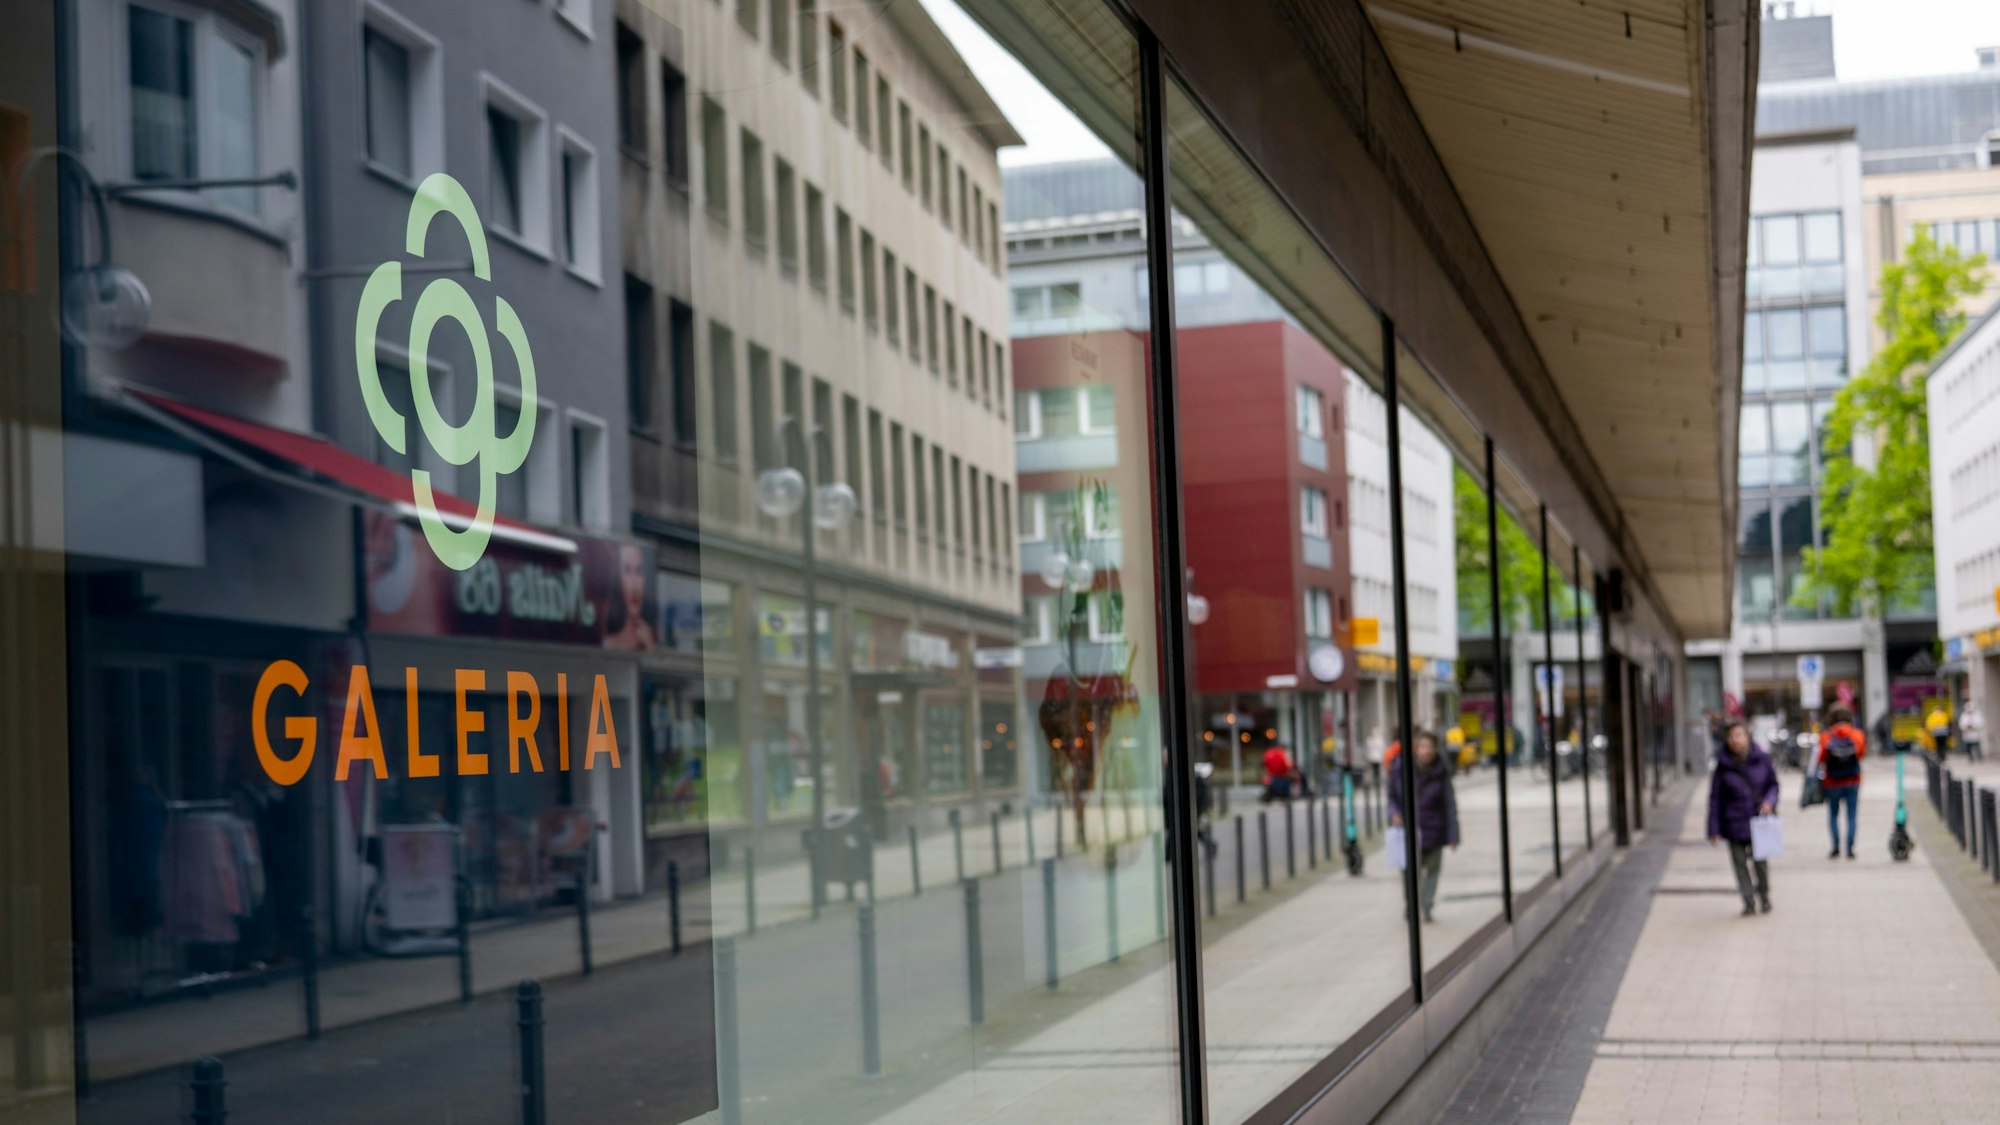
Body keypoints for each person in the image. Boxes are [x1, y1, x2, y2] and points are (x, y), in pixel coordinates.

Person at [1386, 731, 1460, 923]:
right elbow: (1392, 797)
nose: (1426, 751)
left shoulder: (1441, 771)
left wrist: (1454, 835)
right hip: (1409, 832)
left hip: (1435, 830)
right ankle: (1411, 906)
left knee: (1433, 871)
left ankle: (1426, 905)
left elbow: (1449, 804)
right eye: (1423, 747)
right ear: (1416, 749)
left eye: (1430, 747)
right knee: (1410, 873)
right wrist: (1394, 814)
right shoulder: (1400, 769)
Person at [1708, 720, 1779, 916]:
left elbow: (1773, 785)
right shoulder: (1722, 765)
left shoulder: (1762, 759)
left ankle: (1764, 896)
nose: (1735, 740)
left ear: (1747, 737)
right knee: (1740, 864)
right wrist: (1713, 829)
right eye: (1731, 736)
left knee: (1760, 864)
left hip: (1759, 821)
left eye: (1739, 735)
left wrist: (1769, 802)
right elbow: (1715, 798)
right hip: (1733, 822)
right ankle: (1748, 901)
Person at [1814, 705, 1867, 860]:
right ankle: (1850, 849)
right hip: (1852, 781)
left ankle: (1835, 847)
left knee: (1833, 815)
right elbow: (1861, 754)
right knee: (1851, 815)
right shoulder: (1857, 734)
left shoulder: (1826, 736)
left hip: (1832, 782)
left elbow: (1821, 758)